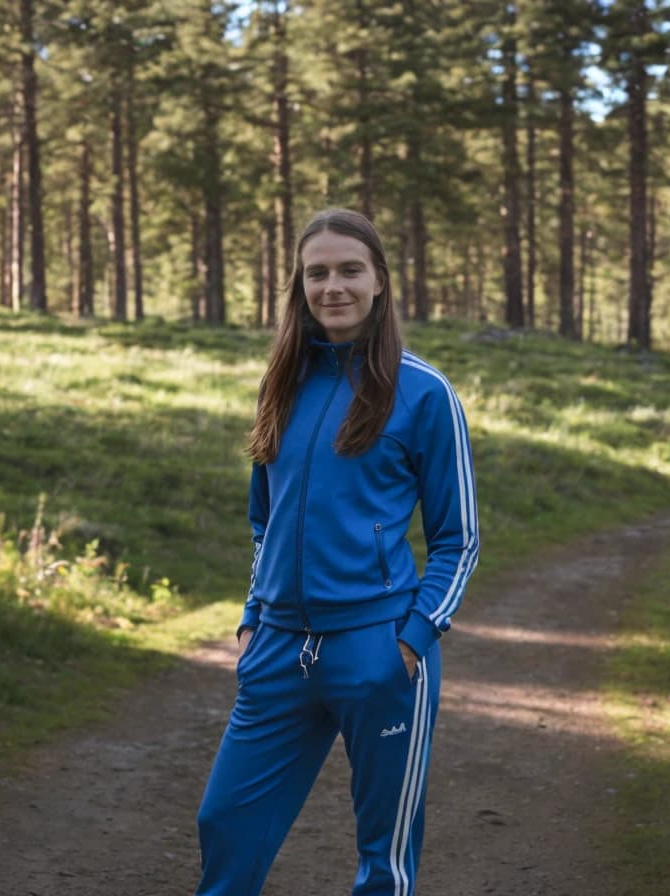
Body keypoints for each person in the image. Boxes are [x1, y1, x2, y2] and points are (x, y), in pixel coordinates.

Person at [195, 208, 479, 896]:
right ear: (299, 284)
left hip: (379, 654)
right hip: (277, 651)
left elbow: (457, 538)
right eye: (317, 272)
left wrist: (411, 638)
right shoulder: (282, 385)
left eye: (350, 270)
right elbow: (266, 521)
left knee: (383, 860)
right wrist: (252, 619)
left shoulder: (424, 393)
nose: (333, 286)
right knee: (225, 824)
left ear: (379, 280)